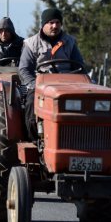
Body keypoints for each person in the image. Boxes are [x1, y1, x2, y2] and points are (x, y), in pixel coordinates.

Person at [19, 8, 84, 141]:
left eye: (58, 23)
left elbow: (79, 66)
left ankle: (77, 137)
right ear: (43, 24)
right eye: (51, 22)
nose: (54, 26)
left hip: (66, 85)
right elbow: (24, 69)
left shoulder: (70, 42)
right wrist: (34, 85)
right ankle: (34, 139)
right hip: (41, 85)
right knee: (31, 103)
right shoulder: (31, 43)